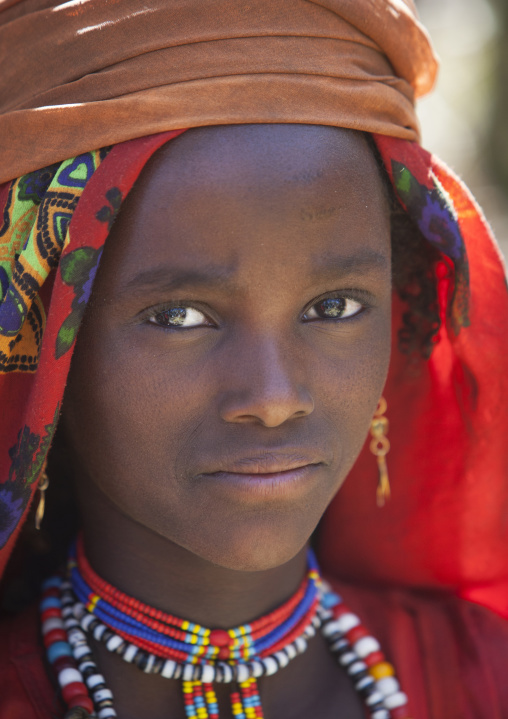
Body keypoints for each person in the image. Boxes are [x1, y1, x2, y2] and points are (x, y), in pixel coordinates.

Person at [0, 2, 507, 718]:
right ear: (46, 340)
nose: (273, 395)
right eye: (179, 317)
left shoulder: (481, 679)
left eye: (334, 308)